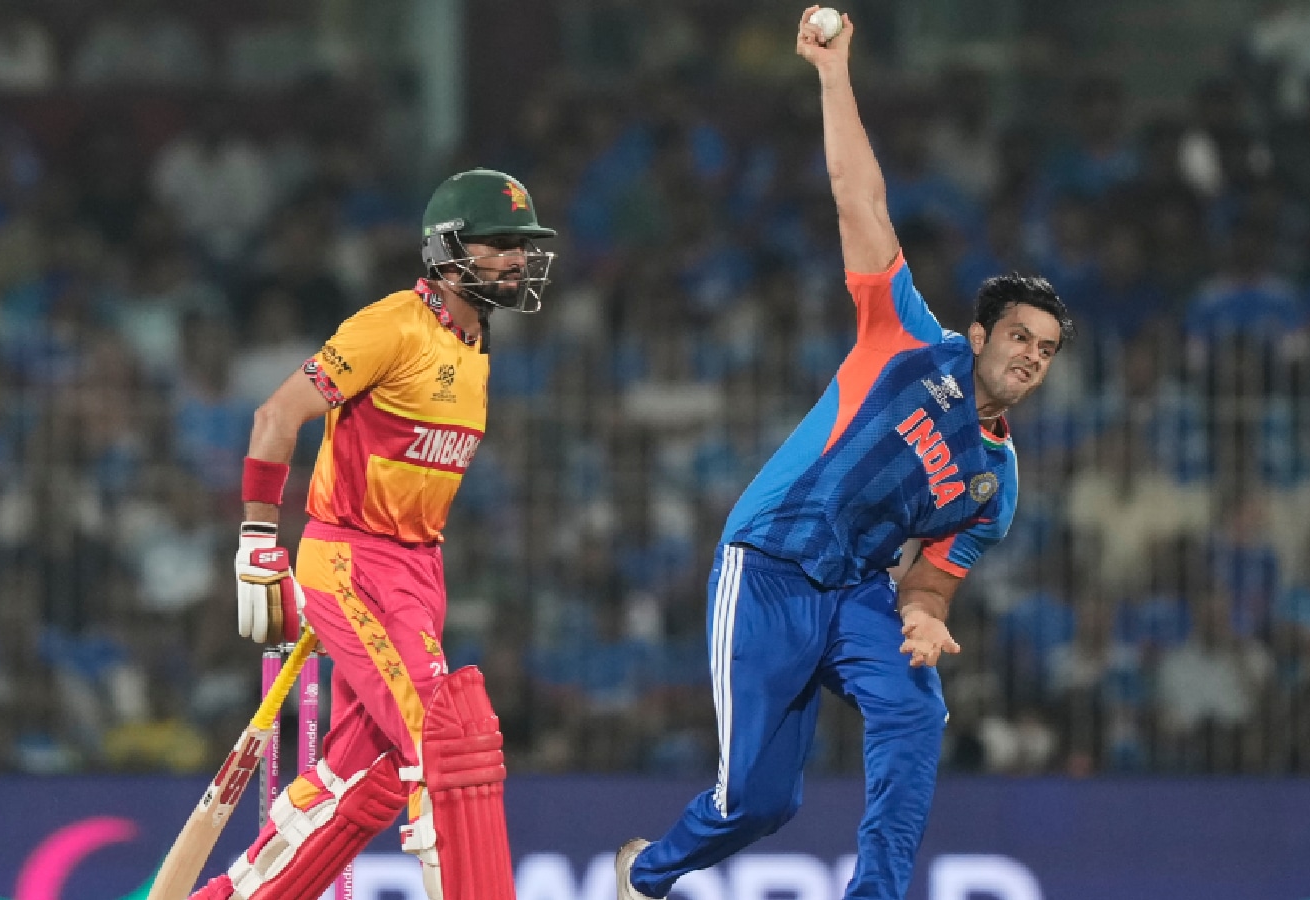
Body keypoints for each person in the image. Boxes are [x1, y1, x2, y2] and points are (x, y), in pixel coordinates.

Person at [616, 10, 1073, 900]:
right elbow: (856, 198)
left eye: (1047, 349)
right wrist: (832, 72)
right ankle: (649, 875)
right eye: (1018, 334)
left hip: (859, 592)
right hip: (772, 569)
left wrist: (927, 616)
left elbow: (932, 579)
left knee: (917, 706)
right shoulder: (906, 339)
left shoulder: (997, 483)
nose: (1029, 355)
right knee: (759, 801)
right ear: (979, 334)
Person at [190, 169, 555, 900]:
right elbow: (274, 417)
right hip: (353, 560)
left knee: (364, 776)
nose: (517, 259)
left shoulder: (476, 344)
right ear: (449, 253)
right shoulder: (390, 326)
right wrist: (259, 543)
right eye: (500, 244)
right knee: (436, 744)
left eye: (524, 245)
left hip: (421, 573)